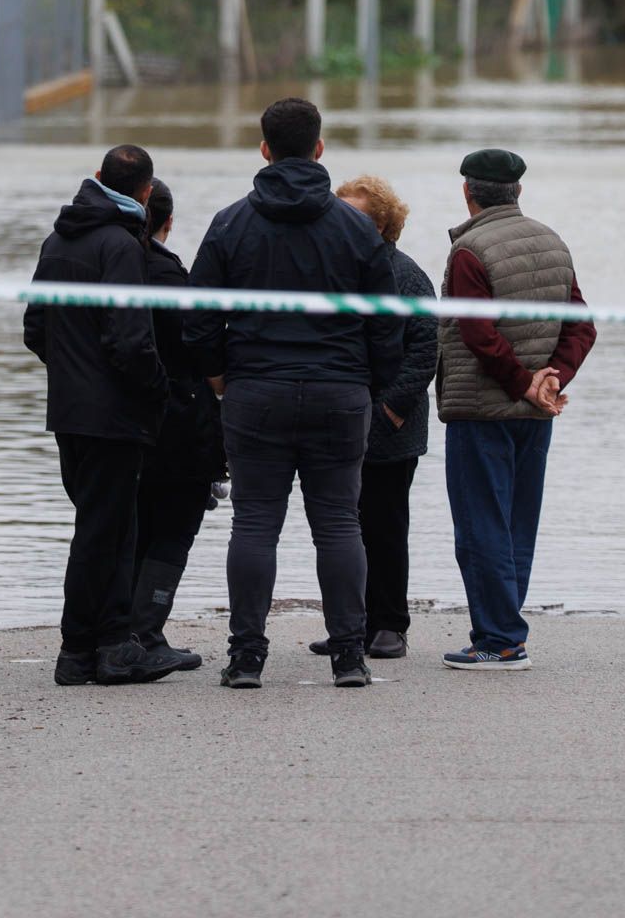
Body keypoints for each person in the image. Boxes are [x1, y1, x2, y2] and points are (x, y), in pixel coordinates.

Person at [184, 98, 403, 689]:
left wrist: (220, 378)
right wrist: (368, 382)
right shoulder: (357, 229)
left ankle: (247, 657)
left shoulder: (230, 223)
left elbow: (199, 320)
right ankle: (350, 657)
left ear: (263, 150)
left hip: (256, 391)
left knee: (254, 523)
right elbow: (388, 323)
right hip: (339, 393)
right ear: (319, 149)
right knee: (338, 523)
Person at [23, 145, 182, 687]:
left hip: (69, 412)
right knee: (103, 531)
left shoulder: (57, 240)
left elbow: (35, 328)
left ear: (97, 177)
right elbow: (132, 341)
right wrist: (158, 392)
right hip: (115, 414)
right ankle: (88, 649)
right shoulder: (121, 246)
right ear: (145, 192)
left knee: (106, 527)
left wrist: (71, 373)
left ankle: (101, 647)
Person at [437, 149, 595, 670]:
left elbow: (477, 334)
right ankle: (505, 629)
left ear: (468, 191)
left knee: (480, 525)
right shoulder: (554, 244)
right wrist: (553, 379)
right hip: (533, 415)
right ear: (518, 192)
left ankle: (500, 639)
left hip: (482, 410)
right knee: (516, 524)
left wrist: (527, 384)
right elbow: (581, 326)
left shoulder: (470, 252)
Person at [306, 175, 437, 661]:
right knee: (341, 527)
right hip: (334, 420)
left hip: (390, 428)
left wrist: (389, 410)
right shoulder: (328, 270)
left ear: (383, 224)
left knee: (384, 527)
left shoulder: (406, 276)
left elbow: (425, 351)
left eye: (357, 216)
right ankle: (349, 624)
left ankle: (389, 625)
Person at [130, 179, 226, 672]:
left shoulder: (106, 267)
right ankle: (146, 631)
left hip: (116, 421)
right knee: (174, 527)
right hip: (178, 419)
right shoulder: (169, 278)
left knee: (131, 524)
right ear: (169, 223)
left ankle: (119, 628)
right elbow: (197, 345)